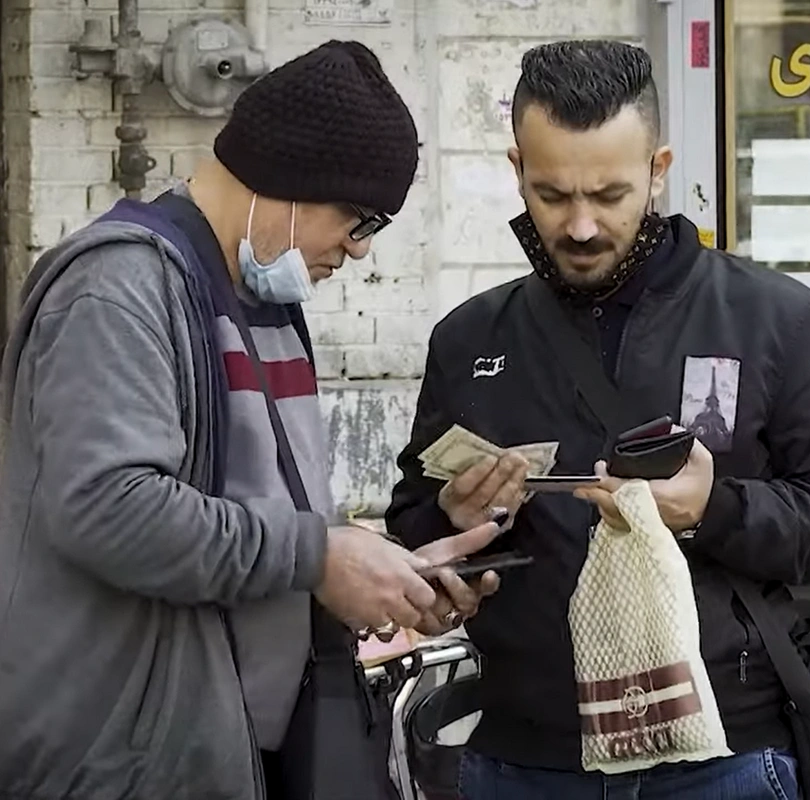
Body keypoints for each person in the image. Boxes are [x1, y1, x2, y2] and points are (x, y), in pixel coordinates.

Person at [386, 39, 810, 799]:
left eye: (610, 194)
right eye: (553, 195)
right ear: (517, 168)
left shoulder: (777, 319)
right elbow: (414, 531)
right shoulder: (469, 339)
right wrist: (456, 520)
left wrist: (715, 509)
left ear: (658, 170)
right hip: (523, 761)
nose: (581, 226)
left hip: (729, 762)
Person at [0, 40, 504, 800]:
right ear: (288, 179)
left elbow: (270, 524)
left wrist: (391, 572)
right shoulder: (117, 288)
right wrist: (319, 558)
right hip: (123, 765)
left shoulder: (265, 304)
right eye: (359, 218)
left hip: (236, 753)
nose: (361, 251)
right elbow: (107, 507)